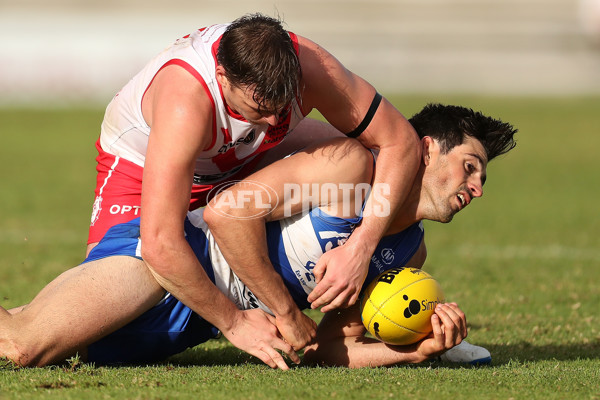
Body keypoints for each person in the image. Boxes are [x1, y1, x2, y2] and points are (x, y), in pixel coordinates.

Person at [0, 104, 516, 369]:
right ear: (425, 149)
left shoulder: (409, 250)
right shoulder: (349, 168)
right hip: (164, 268)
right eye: (470, 167)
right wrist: (286, 312)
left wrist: (416, 350)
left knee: (51, 339)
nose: (476, 188)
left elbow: (328, 349)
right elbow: (226, 214)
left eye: (482, 180)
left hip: (191, 327)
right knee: (22, 346)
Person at [86, 12, 423, 353]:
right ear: (223, 77)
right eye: (261, 108)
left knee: (359, 154)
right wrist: (234, 323)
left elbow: (400, 140)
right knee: (106, 316)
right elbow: (160, 243)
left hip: (238, 150)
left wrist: (361, 247)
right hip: (141, 164)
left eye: (283, 106)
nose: (275, 120)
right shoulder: (185, 102)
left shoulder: (313, 67)